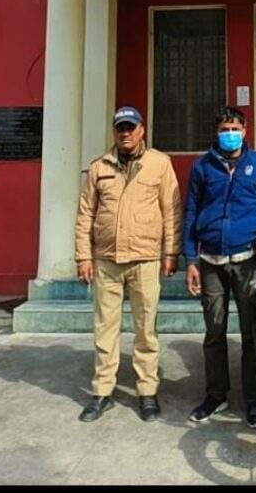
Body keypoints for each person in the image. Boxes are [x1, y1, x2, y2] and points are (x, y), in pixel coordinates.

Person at [74, 106, 182, 423]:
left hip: (145, 259)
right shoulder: (99, 167)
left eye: (130, 127)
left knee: (146, 330)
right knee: (105, 330)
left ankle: (147, 392)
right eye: (120, 128)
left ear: (141, 130)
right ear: (114, 132)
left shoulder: (159, 164)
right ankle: (102, 392)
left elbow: (171, 211)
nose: (125, 133)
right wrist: (83, 256)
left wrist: (171, 253)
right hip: (106, 260)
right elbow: (85, 214)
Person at [184, 106, 256, 429]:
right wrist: (190, 259)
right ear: (216, 133)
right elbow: (190, 213)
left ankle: (254, 400)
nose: (230, 134)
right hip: (210, 262)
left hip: (247, 261)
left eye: (235, 129)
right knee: (214, 331)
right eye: (224, 129)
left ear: (245, 131)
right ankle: (216, 395)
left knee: (250, 332)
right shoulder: (202, 166)